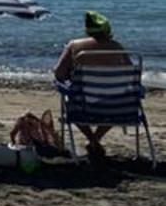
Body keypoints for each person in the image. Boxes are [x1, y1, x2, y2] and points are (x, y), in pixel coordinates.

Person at [54, 10, 130, 163]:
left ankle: (93, 140)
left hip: (83, 106)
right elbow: (129, 73)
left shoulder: (74, 46)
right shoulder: (118, 46)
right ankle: (95, 140)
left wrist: (67, 80)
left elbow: (59, 74)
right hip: (116, 107)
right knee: (116, 102)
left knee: (71, 103)